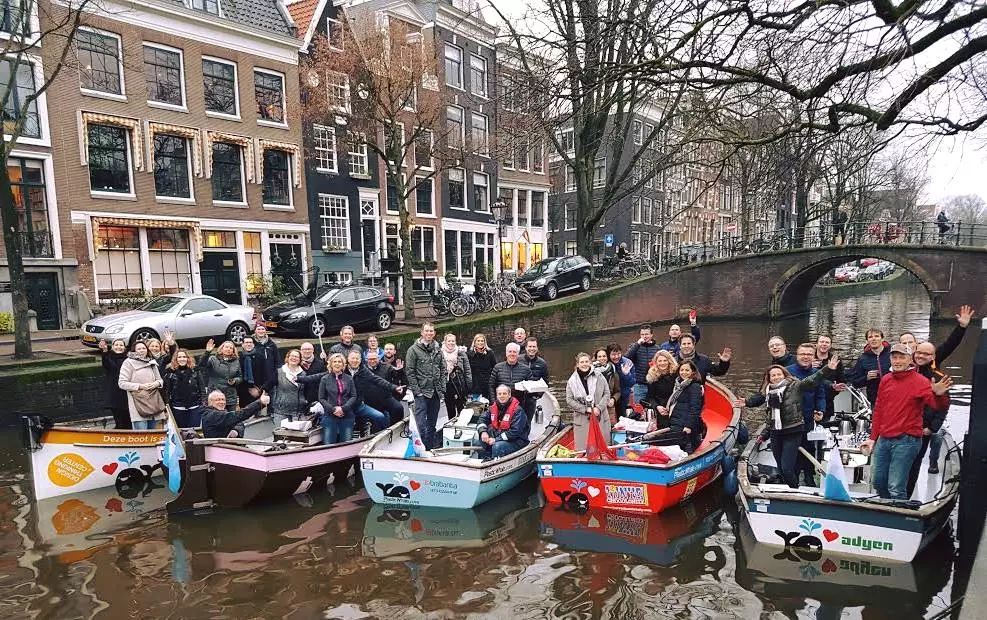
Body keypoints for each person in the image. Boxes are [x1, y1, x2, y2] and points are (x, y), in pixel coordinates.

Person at [859, 344, 952, 500]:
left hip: (907, 440)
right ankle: (887, 509)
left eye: (902, 357)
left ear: (910, 360)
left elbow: (937, 405)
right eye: (894, 357)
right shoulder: (886, 380)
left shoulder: (921, 381)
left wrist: (938, 395)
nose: (897, 361)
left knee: (896, 486)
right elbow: (879, 410)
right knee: (878, 482)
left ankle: (897, 517)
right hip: (885, 439)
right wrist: (872, 438)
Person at [736, 356, 840, 488]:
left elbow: (812, 380)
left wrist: (827, 369)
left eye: (779, 374)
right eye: (773, 375)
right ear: (769, 378)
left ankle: (794, 489)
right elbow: (759, 399)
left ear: (784, 375)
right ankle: (787, 487)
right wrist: (746, 402)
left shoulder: (795, 386)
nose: (776, 377)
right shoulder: (768, 391)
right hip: (775, 431)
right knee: (780, 466)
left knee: (787, 467)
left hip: (792, 430)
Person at [906, 342, 951, 493]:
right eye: (919, 352)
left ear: (933, 357)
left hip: (922, 429)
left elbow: (943, 408)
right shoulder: (908, 372)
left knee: (914, 462)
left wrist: (931, 428)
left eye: (926, 354)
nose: (921, 356)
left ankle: (906, 497)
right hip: (904, 426)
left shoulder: (938, 377)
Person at [787, 343, 829, 485]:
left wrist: (820, 410)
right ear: (797, 356)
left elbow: (820, 395)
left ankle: (809, 476)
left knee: (810, 447)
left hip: (809, 417)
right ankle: (793, 477)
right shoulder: (788, 372)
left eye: (809, 354)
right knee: (794, 449)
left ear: (813, 357)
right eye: (802, 354)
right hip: (791, 419)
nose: (806, 357)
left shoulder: (817, 374)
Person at [404, 323, 447, 450]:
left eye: (431, 331)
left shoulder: (437, 349)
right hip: (422, 392)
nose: (429, 333)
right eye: (426, 331)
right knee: (420, 424)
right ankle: (418, 448)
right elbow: (410, 372)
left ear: (434, 333)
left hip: (436, 392)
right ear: (422, 332)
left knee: (432, 423)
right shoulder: (413, 350)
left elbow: (442, 369)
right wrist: (417, 392)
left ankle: (428, 448)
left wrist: (442, 388)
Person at [652, 361, 705, 454]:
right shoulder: (678, 386)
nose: (684, 372)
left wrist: (688, 426)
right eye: (682, 370)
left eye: (687, 370)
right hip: (676, 422)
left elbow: (695, 409)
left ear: (693, 372)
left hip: (686, 426)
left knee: (687, 450)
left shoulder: (695, 386)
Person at [899, 304, 975, 368]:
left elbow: (950, 344)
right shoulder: (896, 361)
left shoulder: (932, 357)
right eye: (904, 343)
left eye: (910, 342)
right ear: (899, 345)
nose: (907, 345)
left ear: (916, 343)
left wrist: (962, 327)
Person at [565, 352, 611, 452]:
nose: (584, 364)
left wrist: (598, 408)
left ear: (590, 363)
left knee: (603, 448)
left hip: (600, 417)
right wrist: (586, 409)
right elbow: (569, 400)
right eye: (582, 362)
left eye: (586, 361)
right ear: (577, 364)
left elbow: (607, 393)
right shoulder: (571, 381)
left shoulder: (599, 376)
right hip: (583, 419)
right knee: (584, 450)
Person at [346, 350, 400, 433]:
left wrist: (394, 387)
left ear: (360, 360)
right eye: (352, 358)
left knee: (380, 416)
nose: (355, 360)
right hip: (345, 406)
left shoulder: (363, 370)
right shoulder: (342, 370)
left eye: (357, 358)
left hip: (359, 405)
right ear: (348, 359)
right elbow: (325, 376)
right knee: (350, 426)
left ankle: (387, 434)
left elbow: (377, 380)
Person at [118, 341, 167, 430]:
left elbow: (160, 380)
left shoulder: (151, 362)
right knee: (142, 435)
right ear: (134, 351)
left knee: (156, 436)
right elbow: (122, 383)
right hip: (138, 404)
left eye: (143, 348)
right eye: (139, 349)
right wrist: (141, 386)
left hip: (153, 403)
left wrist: (155, 384)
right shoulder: (128, 363)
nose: (142, 350)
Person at [270, 349, 326, 427]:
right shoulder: (279, 372)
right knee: (281, 435)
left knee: (296, 436)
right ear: (288, 357)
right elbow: (269, 385)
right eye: (292, 356)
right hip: (281, 411)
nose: (294, 358)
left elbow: (308, 390)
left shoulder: (303, 374)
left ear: (300, 359)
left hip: (299, 411)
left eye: (296, 357)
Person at [476, 384, 530, 461]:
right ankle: (486, 460)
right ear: (497, 396)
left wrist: (496, 439)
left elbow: (515, 432)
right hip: (498, 436)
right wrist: (483, 432)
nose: (502, 396)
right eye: (499, 394)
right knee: (480, 443)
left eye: (504, 394)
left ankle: (495, 464)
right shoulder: (493, 408)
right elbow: (482, 419)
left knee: (498, 446)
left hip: (517, 441)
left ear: (509, 395)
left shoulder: (518, 411)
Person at [317, 353, 358, 444]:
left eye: (339, 362)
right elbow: (321, 398)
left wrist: (343, 408)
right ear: (330, 364)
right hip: (330, 415)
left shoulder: (349, 379)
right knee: (328, 444)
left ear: (343, 365)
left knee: (346, 444)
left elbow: (353, 396)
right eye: (334, 362)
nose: (337, 364)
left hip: (347, 414)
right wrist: (333, 409)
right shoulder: (325, 379)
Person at [849, 328, 892, 407]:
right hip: (875, 400)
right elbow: (855, 382)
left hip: (894, 397)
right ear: (867, 340)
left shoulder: (892, 354)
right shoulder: (863, 359)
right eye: (870, 337)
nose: (873, 339)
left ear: (882, 339)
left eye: (876, 336)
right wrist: (866, 378)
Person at [201, 390, 270, 439]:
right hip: (220, 451)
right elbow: (239, 415)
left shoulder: (223, 412)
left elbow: (239, 423)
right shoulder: (211, 415)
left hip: (228, 447)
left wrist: (235, 431)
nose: (221, 402)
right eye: (218, 400)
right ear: (210, 402)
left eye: (223, 399)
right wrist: (260, 403)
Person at [163, 349, 205, 428]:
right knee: (181, 432)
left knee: (193, 432)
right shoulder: (170, 373)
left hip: (194, 406)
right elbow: (167, 392)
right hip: (178, 407)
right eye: (179, 357)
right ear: (176, 359)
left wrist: (203, 404)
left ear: (188, 358)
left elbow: (202, 389)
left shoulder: (195, 371)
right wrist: (168, 408)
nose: (182, 359)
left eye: (184, 357)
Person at [364, 350, 408, 425]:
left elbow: (399, 379)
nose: (372, 361)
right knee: (377, 423)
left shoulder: (387, 367)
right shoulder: (363, 369)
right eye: (370, 359)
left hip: (385, 397)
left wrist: (400, 371)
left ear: (378, 358)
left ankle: (394, 428)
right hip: (369, 401)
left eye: (374, 359)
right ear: (366, 360)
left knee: (398, 408)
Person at [489, 343, 533, 413]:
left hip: (518, 406)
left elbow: (531, 388)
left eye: (514, 352)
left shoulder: (526, 369)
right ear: (506, 353)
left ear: (518, 354)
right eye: (510, 351)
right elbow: (491, 386)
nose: (512, 354)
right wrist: (494, 402)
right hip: (500, 405)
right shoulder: (497, 367)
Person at [200, 339, 242, 411]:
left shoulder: (236, 361)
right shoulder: (213, 359)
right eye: (226, 347)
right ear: (222, 348)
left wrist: (235, 381)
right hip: (216, 394)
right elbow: (202, 365)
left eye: (230, 348)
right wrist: (207, 352)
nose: (228, 349)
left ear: (233, 350)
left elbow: (240, 376)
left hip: (230, 396)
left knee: (231, 418)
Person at [98, 338, 131, 430]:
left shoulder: (129, 359)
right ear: (112, 347)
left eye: (121, 345)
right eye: (116, 345)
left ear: (124, 347)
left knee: (127, 419)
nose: (118, 347)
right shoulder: (108, 356)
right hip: (114, 392)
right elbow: (107, 364)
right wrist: (104, 350)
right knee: (118, 418)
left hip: (126, 392)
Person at [812, 335, 846, 421]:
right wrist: (809, 366)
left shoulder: (835, 360)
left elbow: (841, 379)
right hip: (810, 398)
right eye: (822, 342)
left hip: (828, 399)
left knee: (826, 426)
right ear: (816, 344)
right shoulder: (809, 358)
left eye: (827, 342)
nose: (824, 344)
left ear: (830, 345)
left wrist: (834, 390)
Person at [626, 324, 661, 405]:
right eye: (642, 334)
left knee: (652, 408)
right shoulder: (634, 346)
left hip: (653, 384)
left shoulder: (657, 348)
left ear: (651, 335)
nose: (644, 336)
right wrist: (637, 345)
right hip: (639, 384)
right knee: (639, 409)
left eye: (647, 334)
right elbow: (627, 359)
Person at [440, 334, 472, 422]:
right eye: (449, 341)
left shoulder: (461, 353)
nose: (451, 343)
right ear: (445, 342)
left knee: (461, 408)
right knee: (450, 408)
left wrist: (468, 386)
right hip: (447, 384)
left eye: (453, 341)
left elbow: (467, 370)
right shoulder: (440, 354)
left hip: (459, 384)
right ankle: (451, 426)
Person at [238, 336, 276, 407]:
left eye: (250, 342)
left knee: (257, 415)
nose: (248, 344)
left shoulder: (260, 356)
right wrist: (248, 389)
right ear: (242, 344)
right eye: (246, 342)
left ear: (253, 344)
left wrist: (260, 389)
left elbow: (266, 374)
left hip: (258, 391)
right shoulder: (239, 357)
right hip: (243, 392)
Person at [643, 350, 678, 426]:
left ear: (669, 361)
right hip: (661, 409)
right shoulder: (652, 376)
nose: (662, 363)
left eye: (665, 360)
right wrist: (657, 406)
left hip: (676, 407)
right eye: (660, 361)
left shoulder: (676, 374)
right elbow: (650, 397)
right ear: (656, 362)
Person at [593, 348, 621, 425]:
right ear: (596, 358)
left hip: (609, 405)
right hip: (595, 406)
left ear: (607, 357)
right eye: (599, 356)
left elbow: (618, 391)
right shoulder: (591, 372)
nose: (602, 358)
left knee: (610, 428)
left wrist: (613, 399)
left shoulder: (613, 372)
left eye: (604, 356)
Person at [607, 343, 635, 416]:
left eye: (618, 354)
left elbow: (632, 383)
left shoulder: (627, 363)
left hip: (623, 395)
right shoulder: (606, 364)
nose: (616, 357)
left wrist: (626, 374)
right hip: (609, 395)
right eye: (613, 354)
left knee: (622, 416)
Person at [467, 333, 497, 399]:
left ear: (485, 342)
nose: (480, 342)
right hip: (475, 385)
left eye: (482, 341)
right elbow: (468, 371)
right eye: (478, 341)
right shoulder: (469, 354)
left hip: (488, 383)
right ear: (474, 342)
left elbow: (494, 367)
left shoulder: (490, 353)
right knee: (477, 406)